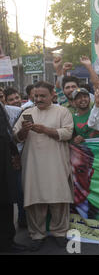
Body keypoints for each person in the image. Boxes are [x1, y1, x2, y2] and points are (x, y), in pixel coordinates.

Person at [13, 81, 74, 251]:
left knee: (58, 199)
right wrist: (24, 132)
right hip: (33, 163)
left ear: (52, 95)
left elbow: (68, 133)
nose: (38, 99)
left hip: (56, 162)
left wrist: (45, 130)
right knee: (35, 200)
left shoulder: (62, 111)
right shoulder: (27, 112)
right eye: (36, 96)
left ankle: (60, 233)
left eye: (42, 96)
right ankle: (37, 235)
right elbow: (16, 137)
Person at [0, 103, 27, 253]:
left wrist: (14, 154)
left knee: (6, 202)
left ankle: (7, 241)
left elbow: (7, 133)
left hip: (4, 163)